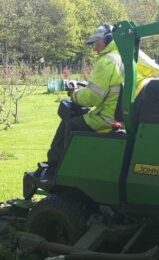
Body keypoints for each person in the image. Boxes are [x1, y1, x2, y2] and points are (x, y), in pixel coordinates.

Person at [45, 23, 124, 168]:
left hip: (107, 117)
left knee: (71, 124)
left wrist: (74, 95)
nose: (94, 48)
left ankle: (62, 167)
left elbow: (92, 97)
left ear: (108, 40)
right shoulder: (122, 58)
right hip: (118, 114)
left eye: (97, 43)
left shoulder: (107, 61)